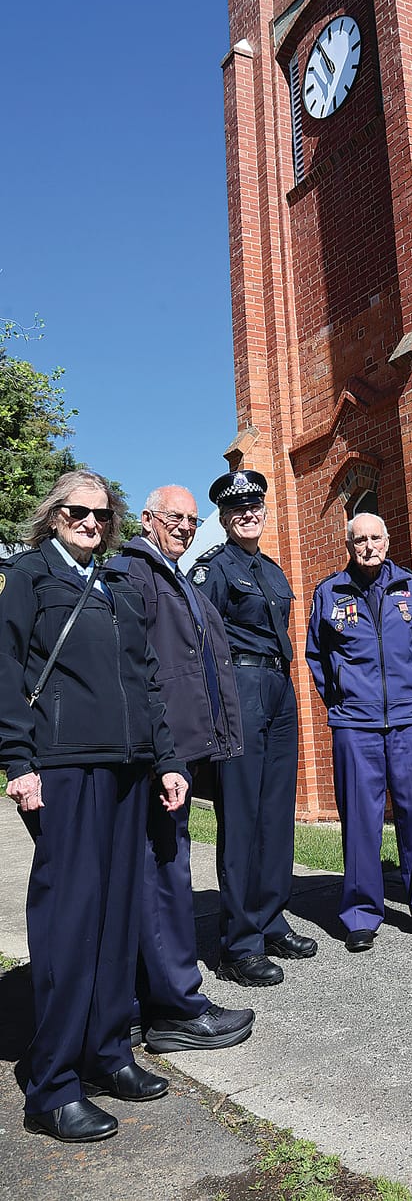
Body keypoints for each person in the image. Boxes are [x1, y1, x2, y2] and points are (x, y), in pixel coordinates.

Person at [0, 472, 189, 1143]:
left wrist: (167, 758)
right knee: (70, 920)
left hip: (128, 769)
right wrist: (18, 762)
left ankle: (108, 1054)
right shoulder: (29, 577)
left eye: (102, 515)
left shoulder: (115, 584)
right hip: (65, 767)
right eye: (78, 512)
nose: (90, 522)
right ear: (54, 515)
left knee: (116, 917)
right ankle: (52, 1086)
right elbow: (5, 669)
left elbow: (145, 679)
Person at [110, 486, 254, 1050]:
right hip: (158, 753)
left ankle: (147, 1003)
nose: (186, 527)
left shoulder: (174, 577)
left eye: (194, 521)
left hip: (180, 749)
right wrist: (161, 751)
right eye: (176, 517)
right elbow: (135, 669)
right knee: (163, 875)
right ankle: (175, 1008)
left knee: (162, 869)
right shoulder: (135, 572)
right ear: (148, 518)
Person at [192, 470, 316, 986]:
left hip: (279, 687)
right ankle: (239, 943)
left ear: (264, 511)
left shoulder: (272, 569)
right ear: (224, 518)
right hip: (239, 688)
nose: (248, 514)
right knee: (242, 817)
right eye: (237, 509)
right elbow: (198, 641)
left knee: (275, 813)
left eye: (254, 506)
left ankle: (271, 920)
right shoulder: (213, 569)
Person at [306, 512, 412, 951]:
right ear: (348, 546)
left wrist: (408, 690)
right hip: (355, 724)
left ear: (387, 542)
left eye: (375, 538)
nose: (368, 546)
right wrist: (344, 699)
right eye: (359, 540)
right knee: (359, 819)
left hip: (409, 719)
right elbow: (317, 655)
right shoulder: (329, 593)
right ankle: (361, 914)